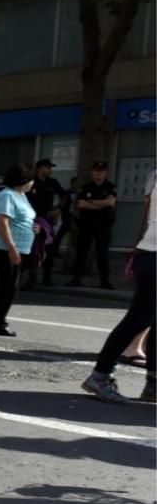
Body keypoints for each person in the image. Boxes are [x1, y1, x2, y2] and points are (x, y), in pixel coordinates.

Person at [81, 169, 155, 403]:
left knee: (146, 318)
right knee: (138, 319)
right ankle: (101, 376)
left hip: (149, 252)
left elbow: (147, 216)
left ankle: (153, 384)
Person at [0, 164, 38, 338]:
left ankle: (0, 323)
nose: (33, 183)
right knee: (7, 285)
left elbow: (23, 218)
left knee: (12, 287)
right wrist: (12, 249)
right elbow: (2, 223)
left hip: (22, 247)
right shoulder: (7, 195)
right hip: (4, 247)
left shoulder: (22, 195)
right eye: (31, 179)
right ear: (24, 179)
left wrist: (34, 228)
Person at [67, 161, 117, 289]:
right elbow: (81, 204)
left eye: (102, 170)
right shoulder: (85, 187)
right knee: (82, 252)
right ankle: (76, 278)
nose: (99, 172)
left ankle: (104, 280)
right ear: (92, 172)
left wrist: (92, 202)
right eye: (96, 170)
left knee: (102, 253)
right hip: (86, 224)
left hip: (103, 225)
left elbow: (111, 203)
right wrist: (102, 204)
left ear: (106, 172)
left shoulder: (111, 187)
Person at [25, 158, 66, 287]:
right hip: (31, 220)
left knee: (49, 248)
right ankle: (31, 277)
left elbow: (65, 195)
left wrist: (58, 208)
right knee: (33, 249)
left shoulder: (52, 183)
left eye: (50, 168)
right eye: (47, 167)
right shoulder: (31, 182)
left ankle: (47, 277)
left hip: (46, 221)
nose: (50, 170)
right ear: (39, 168)